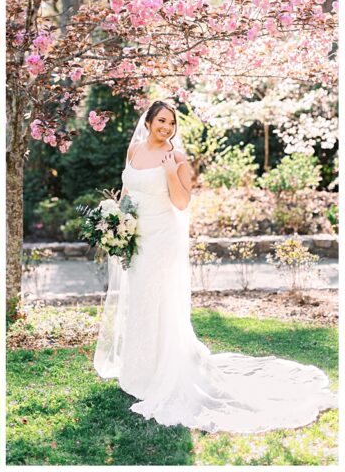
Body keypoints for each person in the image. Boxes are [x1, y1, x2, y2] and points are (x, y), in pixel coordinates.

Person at [94, 100, 336, 432]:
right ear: (148, 122)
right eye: (161, 121)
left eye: (171, 123)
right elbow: (126, 189)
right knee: (139, 301)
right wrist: (116, 222)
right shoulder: (134, 149)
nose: (166, 127)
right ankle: (137, 372)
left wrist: (169, 173)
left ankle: (162, 372)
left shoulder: (178, 158)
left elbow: (182, 203)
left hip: (162, 239)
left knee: (157, 301)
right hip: (136, 237)